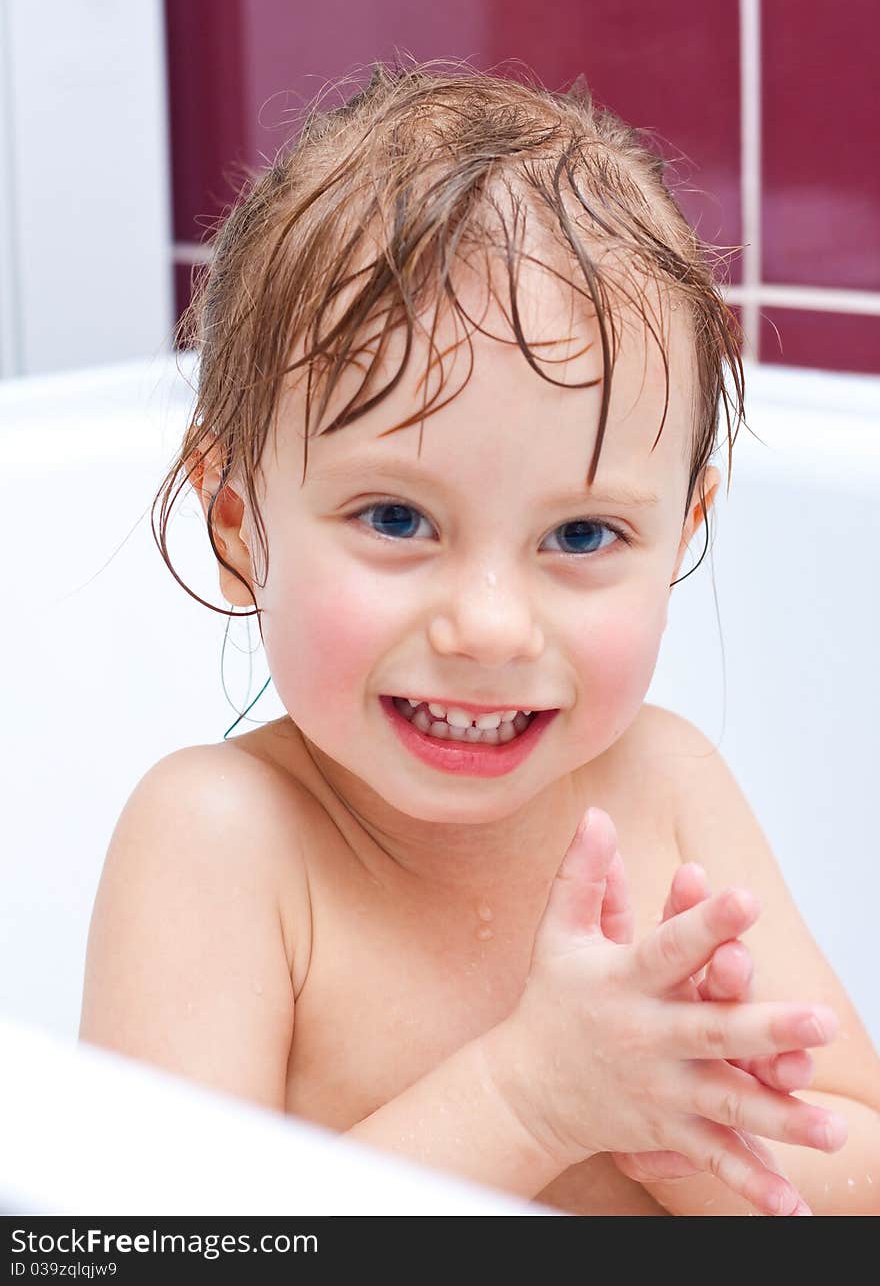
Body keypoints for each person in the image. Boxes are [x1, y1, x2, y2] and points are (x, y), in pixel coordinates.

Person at [79, 61, 880, 1216]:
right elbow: (161, 1246)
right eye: (396, 519)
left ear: (681, 533)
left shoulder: (665, 788)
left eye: (583, 532)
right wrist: (530, 1101)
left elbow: (856, 1159)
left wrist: (683, 1130)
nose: (492, 627)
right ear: (238, 522)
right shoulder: (222, 847)